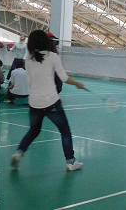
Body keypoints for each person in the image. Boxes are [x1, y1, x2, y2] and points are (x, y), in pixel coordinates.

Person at [10, 29, 86, 171]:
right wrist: (77, 83)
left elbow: (29, 81)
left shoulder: (28, 60)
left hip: (34, 102)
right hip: (51, 101)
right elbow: (64, 77)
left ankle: (19, 152)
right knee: (65, 131)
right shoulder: (52, 57)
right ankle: (71, 162)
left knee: (34, 130)